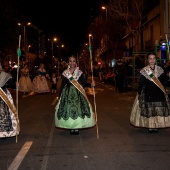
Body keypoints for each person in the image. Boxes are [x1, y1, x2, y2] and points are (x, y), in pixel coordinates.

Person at [55, 55, 96, 135]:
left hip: (78, 94)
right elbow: (62, 85)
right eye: (70, 61)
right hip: (67, 94)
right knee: (69, 110)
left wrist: (91, 85)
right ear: (68, 62)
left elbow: (84, 83)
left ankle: (76, 127)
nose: (72, 63)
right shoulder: (65, 73)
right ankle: (71, 127)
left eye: (74, 61)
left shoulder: (79, 72)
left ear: (75, 62)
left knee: (77, 110)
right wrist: (60, 97)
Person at [130, 52, 170, 133]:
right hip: (148, 93)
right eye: (150, 58)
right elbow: (141, 83)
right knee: (150, 109)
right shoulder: (144, 71)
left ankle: (156, 125)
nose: (152, 60)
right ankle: (151, 126)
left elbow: (164, 81)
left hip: (158, 93)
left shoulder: (160, 69)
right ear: (147, 60)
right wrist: (139, 93)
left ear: (156, 59)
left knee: (156, 109)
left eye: (153, 58)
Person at [0, 63, 20, 138]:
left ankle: (5, 132)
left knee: (4, 113)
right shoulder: (4, 74)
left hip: (3, 96)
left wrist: (15, 85)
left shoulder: (4, 75)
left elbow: (10, 84)